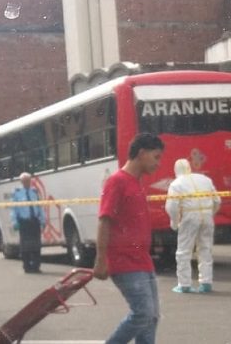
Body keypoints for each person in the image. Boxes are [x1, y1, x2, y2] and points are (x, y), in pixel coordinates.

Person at [94, 133, 164, 344]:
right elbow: (104, 221)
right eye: (156, 157)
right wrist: (100, 260)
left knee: (151, 317)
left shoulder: (136, 182)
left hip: (142, 260)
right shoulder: (117, 182)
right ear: (141, 153)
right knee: (143, 313)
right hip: (124, 262)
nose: (158, 163)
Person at [165, 158, 221, 294]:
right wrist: (210, 214)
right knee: (205, 250)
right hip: (207, 216)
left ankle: (184, 284)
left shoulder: (176, 184)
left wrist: (174, 221)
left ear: (176, 170)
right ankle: (206, 283)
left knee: (184, 251)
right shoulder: (205, 179)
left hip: (189, 217)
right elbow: (217, 200)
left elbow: (171, 206)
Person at [10, 172, 45, 273]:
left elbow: (40, 207)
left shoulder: (34, 192)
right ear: (21, 182)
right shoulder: (17, 193)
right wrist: (15, 222)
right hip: (24, 222)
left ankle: (36, 266)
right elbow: (13, 209)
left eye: (28, 181)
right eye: (25, 181)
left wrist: (42, 220)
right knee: (25, 246)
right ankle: (27, 266)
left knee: (36, 245)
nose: (27, 183)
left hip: (34, 221)